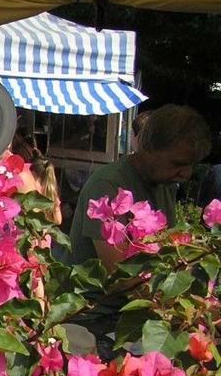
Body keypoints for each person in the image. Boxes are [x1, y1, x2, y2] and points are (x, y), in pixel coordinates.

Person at [67, 104, 210, 356]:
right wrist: (180, 309)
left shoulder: (163, 183)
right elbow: (120, 276)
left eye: (191, 165)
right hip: (94, 319)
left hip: (135, 315)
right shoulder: (109, 184)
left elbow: (168, 254)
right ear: (148, 148)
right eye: (178, 163)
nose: (186, 173)